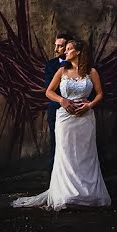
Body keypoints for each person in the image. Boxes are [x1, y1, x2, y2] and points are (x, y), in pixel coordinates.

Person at [12, 38, 111, 210]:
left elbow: (100, 94)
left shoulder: (91, 72)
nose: (65, 52)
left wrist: (90, 105)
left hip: (86, 119)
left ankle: (88, 195)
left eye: (69, 49)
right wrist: (62, 101)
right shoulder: (61, 71)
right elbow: (48, 92)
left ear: (78, 52)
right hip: (65, 119)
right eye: (65, 49)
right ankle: (66, 195)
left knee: (86, 156)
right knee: (66, 155)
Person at [44, 33, 73, 170]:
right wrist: (63, 101)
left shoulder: (82, 66)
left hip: (78, 112)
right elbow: (49, 89)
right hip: (56, 110)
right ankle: (53, 182)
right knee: (56, 146)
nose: (56, 49)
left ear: (68, 47)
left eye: (60, 46)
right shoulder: (51, 65)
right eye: (55, 46)